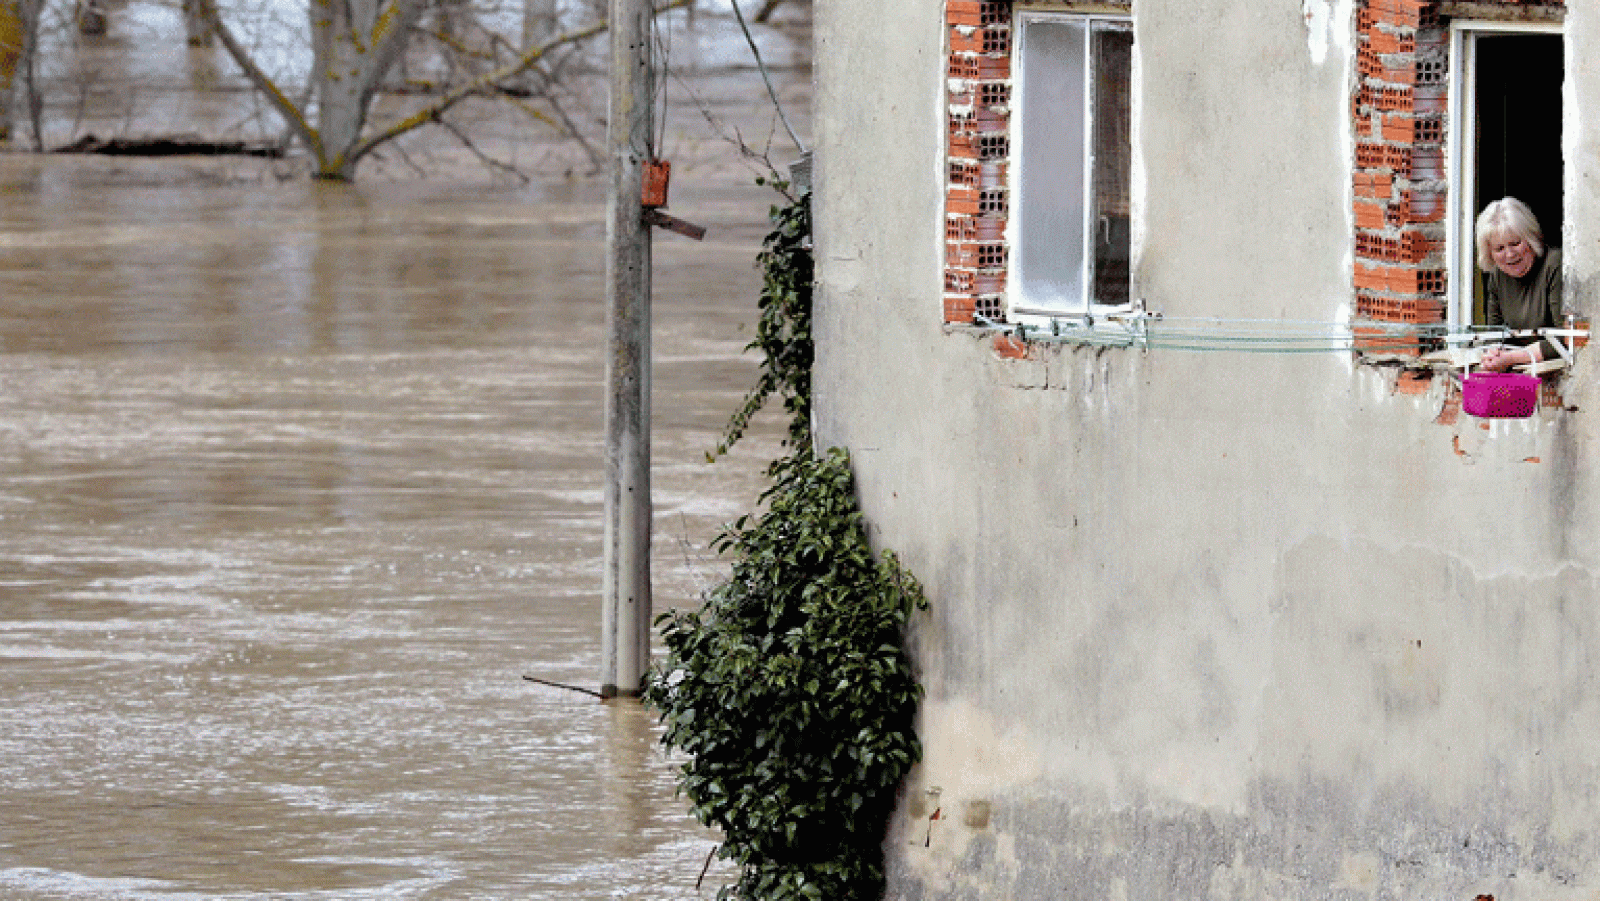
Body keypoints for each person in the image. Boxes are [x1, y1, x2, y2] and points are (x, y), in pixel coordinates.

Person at [1474, 197, 1564, 372]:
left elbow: (1565, 338)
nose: (1509, 255)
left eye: (1515, 243)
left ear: (1530, 239)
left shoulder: (1554, 264)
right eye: (1499, 249)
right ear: (1489, 253)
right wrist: (1493, 354)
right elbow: (1494, 335)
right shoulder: (1497, 276)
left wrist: (1511, 358)